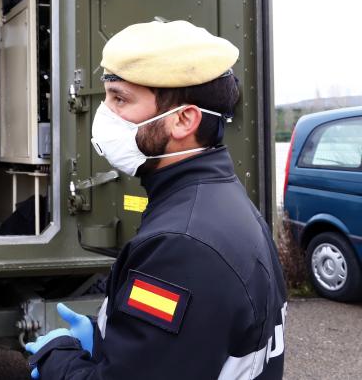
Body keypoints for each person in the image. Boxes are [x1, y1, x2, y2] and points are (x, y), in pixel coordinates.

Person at [26, 20, 287, 379]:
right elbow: (181, 347)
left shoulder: (182, 245)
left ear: (183, 120)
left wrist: (56, 357)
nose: (104, 114)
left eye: (120, 99)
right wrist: (107, 338)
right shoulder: (216, 203)